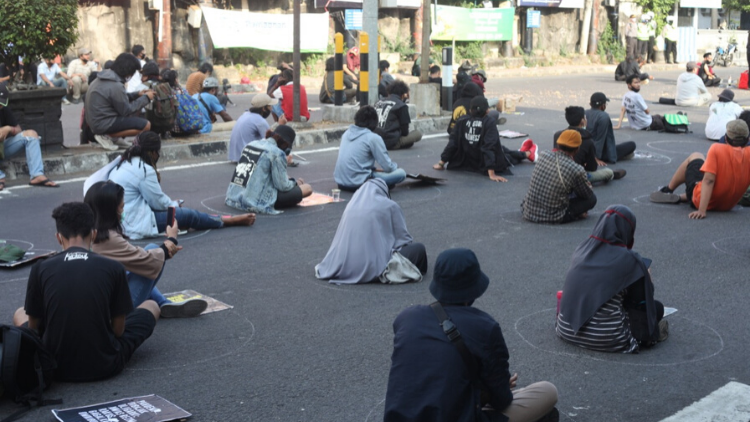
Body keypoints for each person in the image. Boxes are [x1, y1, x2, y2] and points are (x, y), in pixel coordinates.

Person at [383, 248, 558, 422]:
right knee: (548, 392)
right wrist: (496, 388)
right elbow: (502, 400)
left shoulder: (406, 318)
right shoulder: (485, 327)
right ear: (474, 288)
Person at [13, 202, 159, 381]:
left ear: (59, 238)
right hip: (104, 365)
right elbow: (118, 331)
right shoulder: (113, 267)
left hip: (52, 365)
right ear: (94, 234)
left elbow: (34, 329)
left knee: (20, 313)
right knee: (152, 306)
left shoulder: (41, 267)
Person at [85, 181, 208, 318]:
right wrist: (172, 239)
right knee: (150, 256)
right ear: (109, 212)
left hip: (95, 303)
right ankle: (160, 304)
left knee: (137, 262)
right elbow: (148, 261)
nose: (123, 212)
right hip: (112, 313)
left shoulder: (85, 233)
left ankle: (164, 303)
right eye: (121, 207)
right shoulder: (107, 239)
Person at [556, 205, 667, 353]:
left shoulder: (582, 249)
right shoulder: (630, 260)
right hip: (608, 338)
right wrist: (647, 278)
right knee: (657, 308)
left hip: (565, 328)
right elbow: (641, 303)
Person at [108, 131, 254, 239]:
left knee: (176, 210)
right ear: (153, 152)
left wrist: (171, 203)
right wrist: (174, 205)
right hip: (132, 221)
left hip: (121, 216)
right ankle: (228, 221)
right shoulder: (144, 170)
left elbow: (153, 199)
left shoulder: (125, 161)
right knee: (188, 215)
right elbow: (158, 202)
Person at [315, 178, 427, 284]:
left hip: (344, 264)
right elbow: (404, 240)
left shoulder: (350, 206)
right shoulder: (390, 205)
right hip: (374, 265)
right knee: (419, 249)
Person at [649, 120, 750, 219]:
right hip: (728, 205)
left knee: (696, 156)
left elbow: (709, 180)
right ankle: (682, 197)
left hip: (702, 201)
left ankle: (668, 190)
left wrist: (702, 210)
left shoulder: (717, 149)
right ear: (747, 139)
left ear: (726, 138)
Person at [434, 96, 536, 182]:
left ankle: (523, 152)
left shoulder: (461, 120)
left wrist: (441, 163)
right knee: (507, 158)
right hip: (483, 162)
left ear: (470, 110)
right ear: (487, 110)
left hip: (467, 161)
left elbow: (453, 143)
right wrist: (492, 173)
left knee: (502, 149)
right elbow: (488, 147)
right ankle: (527, 153)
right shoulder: (489, 122)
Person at [225, 125, 312, 214]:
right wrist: (296, 183)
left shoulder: (250, 144)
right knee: (307, 188)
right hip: (255, 202)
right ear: (285, 144)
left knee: (286, 177)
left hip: (233, 198)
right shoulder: (277, 153)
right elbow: (283, 186)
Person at [522, 130, 596, 224]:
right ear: (577, 149)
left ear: (558, 144)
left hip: (528, 210)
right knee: (592, 199)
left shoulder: (543, 154)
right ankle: (575, 214)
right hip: (552, 216)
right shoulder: (576, 169)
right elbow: (587, 194)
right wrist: (588, 185)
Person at [85, 53, 154, 151]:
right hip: (103, 124)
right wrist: (146, 98)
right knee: (146, 125)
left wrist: (137, 94)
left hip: (97, 122)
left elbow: (119, 98)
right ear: (128, 71)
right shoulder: (115, 84)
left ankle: (115, 139)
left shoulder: (104, 77)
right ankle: (109, 136)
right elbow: (127, 110)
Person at [0, 82, 59, 190]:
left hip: (2, 148)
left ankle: (37, 175)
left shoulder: (3, 109)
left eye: (1, 104)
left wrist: (9, 129)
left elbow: (18, 130)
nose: (0, 106)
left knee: (31, 135)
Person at [334, 106, 406, 191]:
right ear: (374, 123)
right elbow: (388, 167)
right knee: (401, 173)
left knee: (375, 171)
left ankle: (379, 182)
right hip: (360, 183)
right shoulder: (373, 138)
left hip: (341, 183)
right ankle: (380, 184)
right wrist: (395, 168)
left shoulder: (346, 133)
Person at [554, 106, 625, 183]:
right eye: (585, 117)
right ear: (582, 121)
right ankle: (612, 174)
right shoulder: (587, 140)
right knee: (608, 172)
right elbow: (592, 167)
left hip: (558, 172)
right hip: (576, 175)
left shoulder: (558, 135)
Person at [586, 92, 636, 163]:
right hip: (598, 152)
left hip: (585, 150)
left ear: (590, 104)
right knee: (631, 145)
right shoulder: (603, 116)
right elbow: (600, 139)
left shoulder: (585, 113)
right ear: (603, 106)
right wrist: (596, 158)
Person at [374, 80, 422, 150]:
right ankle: (397, 144)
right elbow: (405, 131)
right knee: (417, 134)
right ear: (402, 94)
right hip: (389, 141)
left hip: (374, 140)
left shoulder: (378, 102)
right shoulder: (402, 106)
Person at [228, 94, 275, 162]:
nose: (271, 109)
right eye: (270, 106)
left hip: (236, 156)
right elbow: (271, 141)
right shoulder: (260, 121)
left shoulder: (245, 114)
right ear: (264, 109)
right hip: (249, 158)